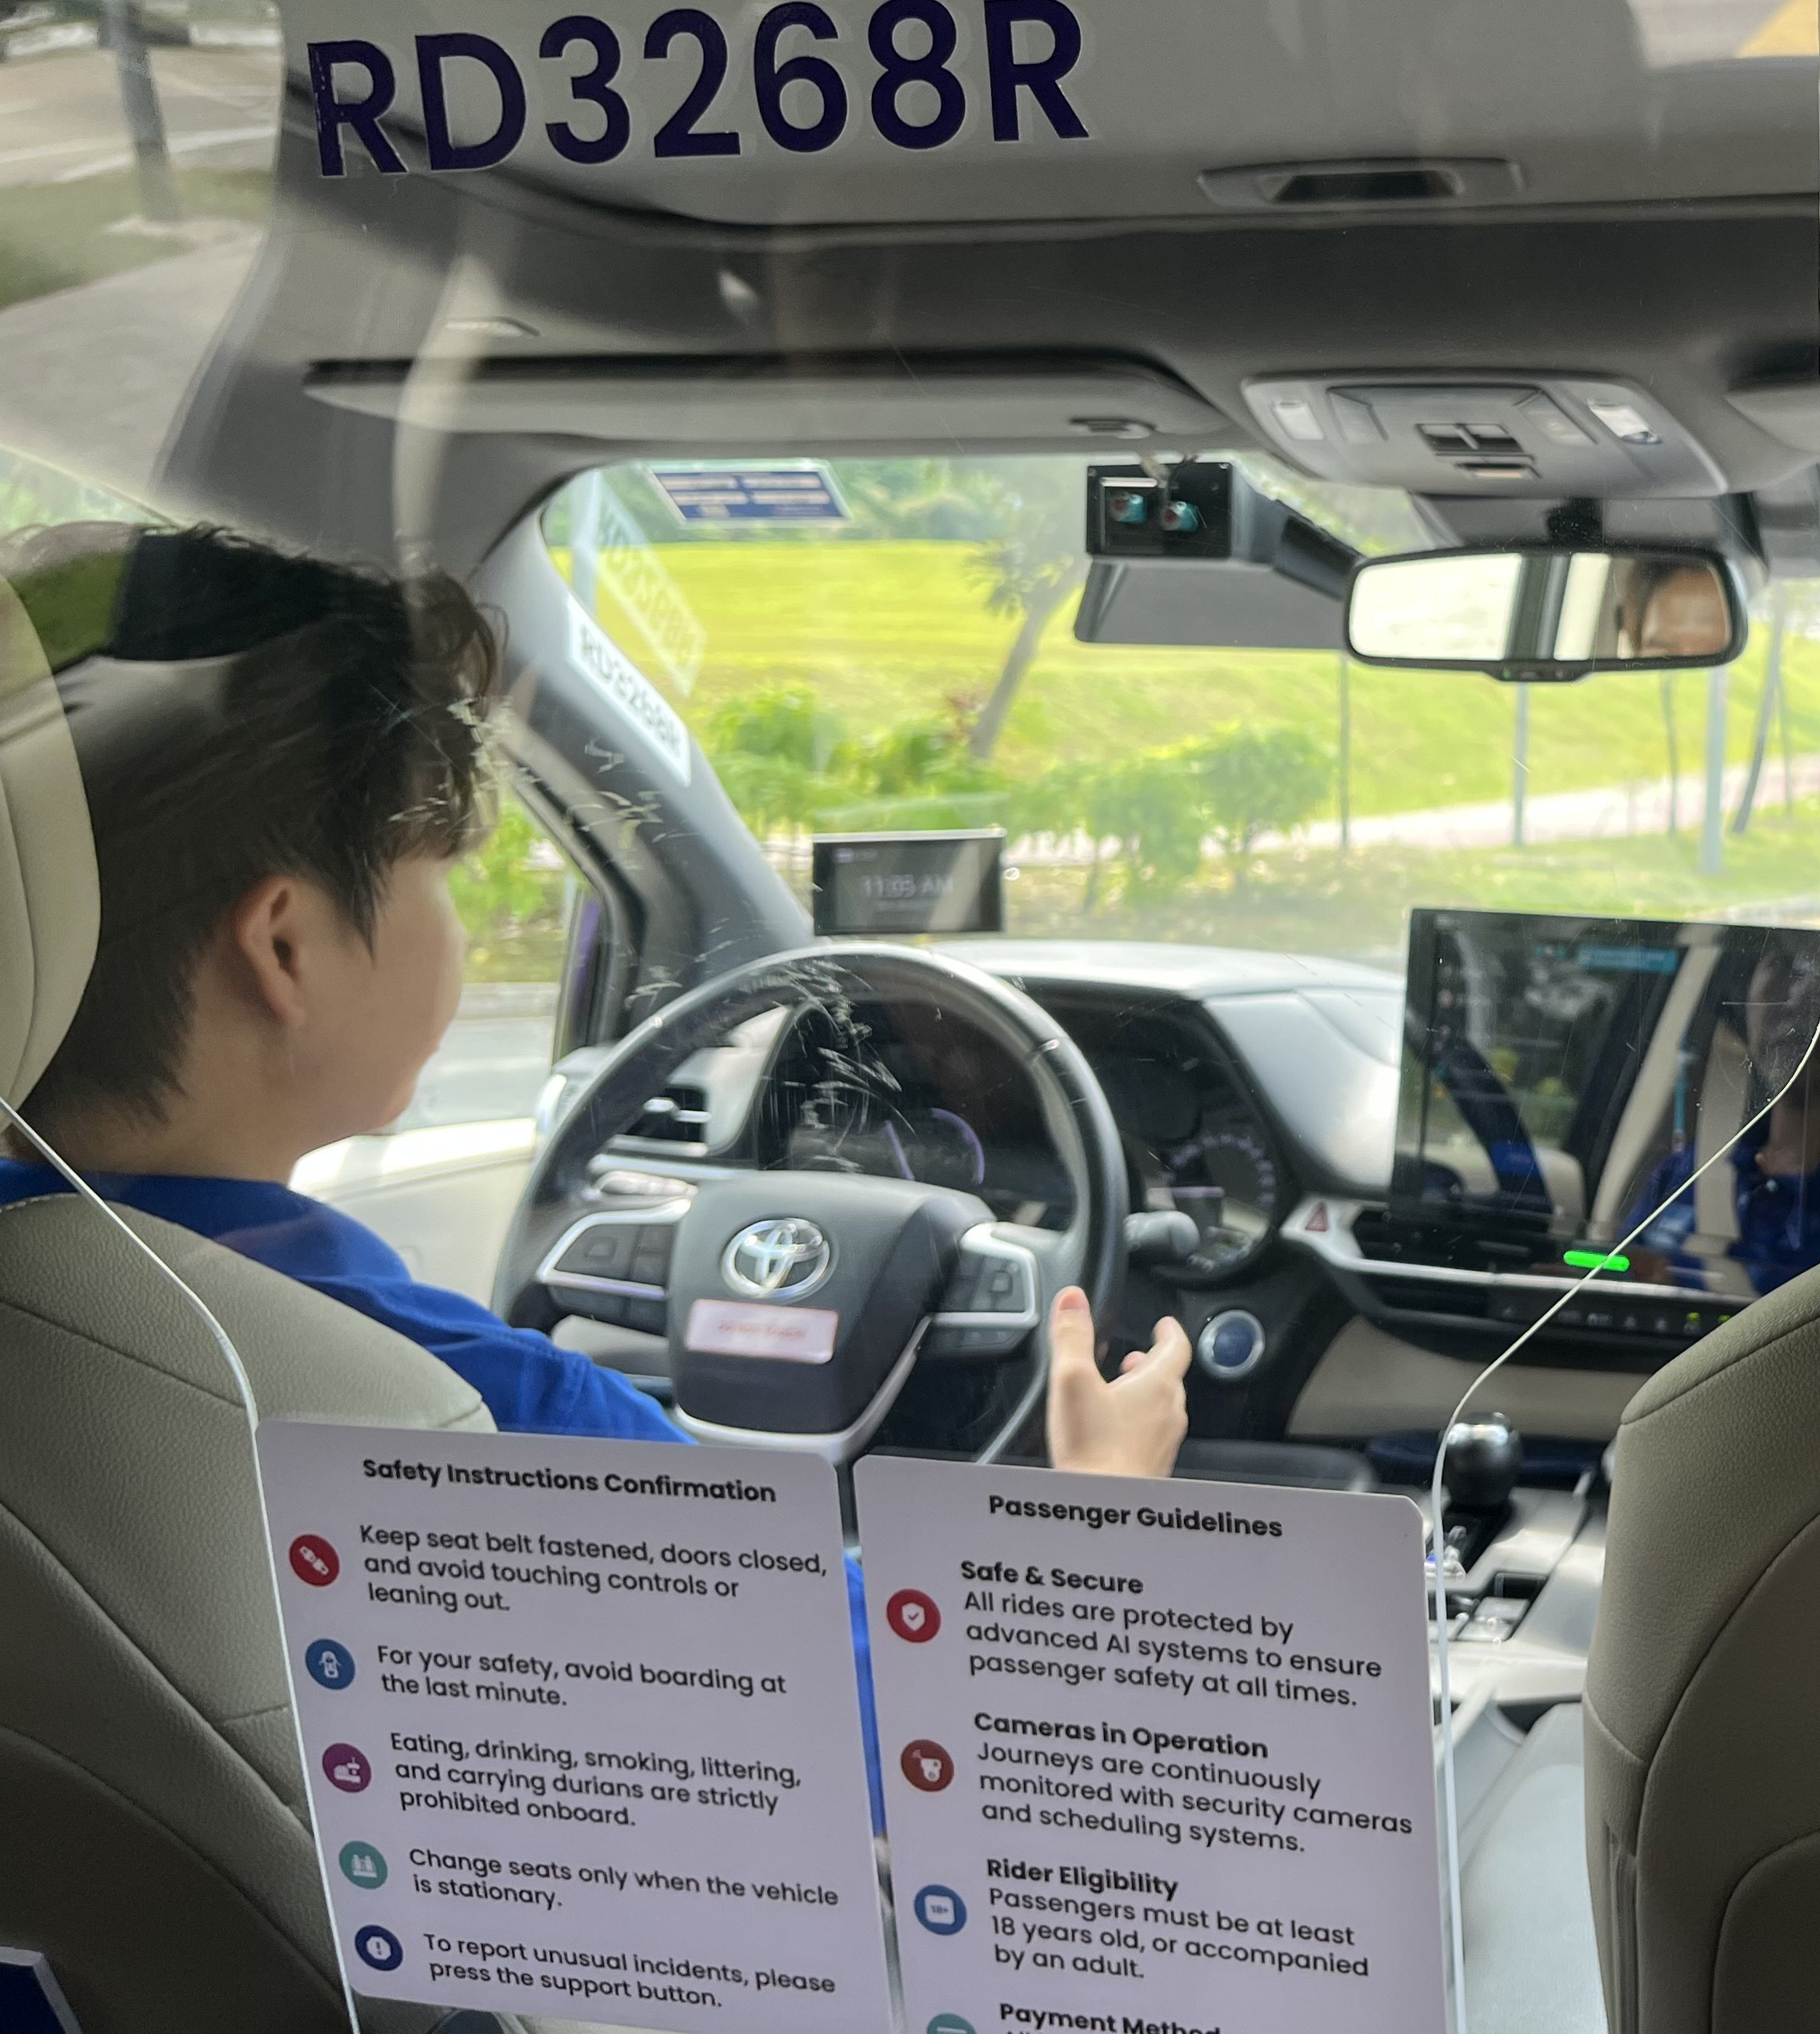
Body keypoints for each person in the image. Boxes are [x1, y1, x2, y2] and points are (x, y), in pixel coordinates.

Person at [0, 519, 1189, 1474]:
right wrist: (1094, 1513)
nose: (457, 926)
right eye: (445, 877)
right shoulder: (480, 1412)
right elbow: (872, 1723)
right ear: (289, 949)